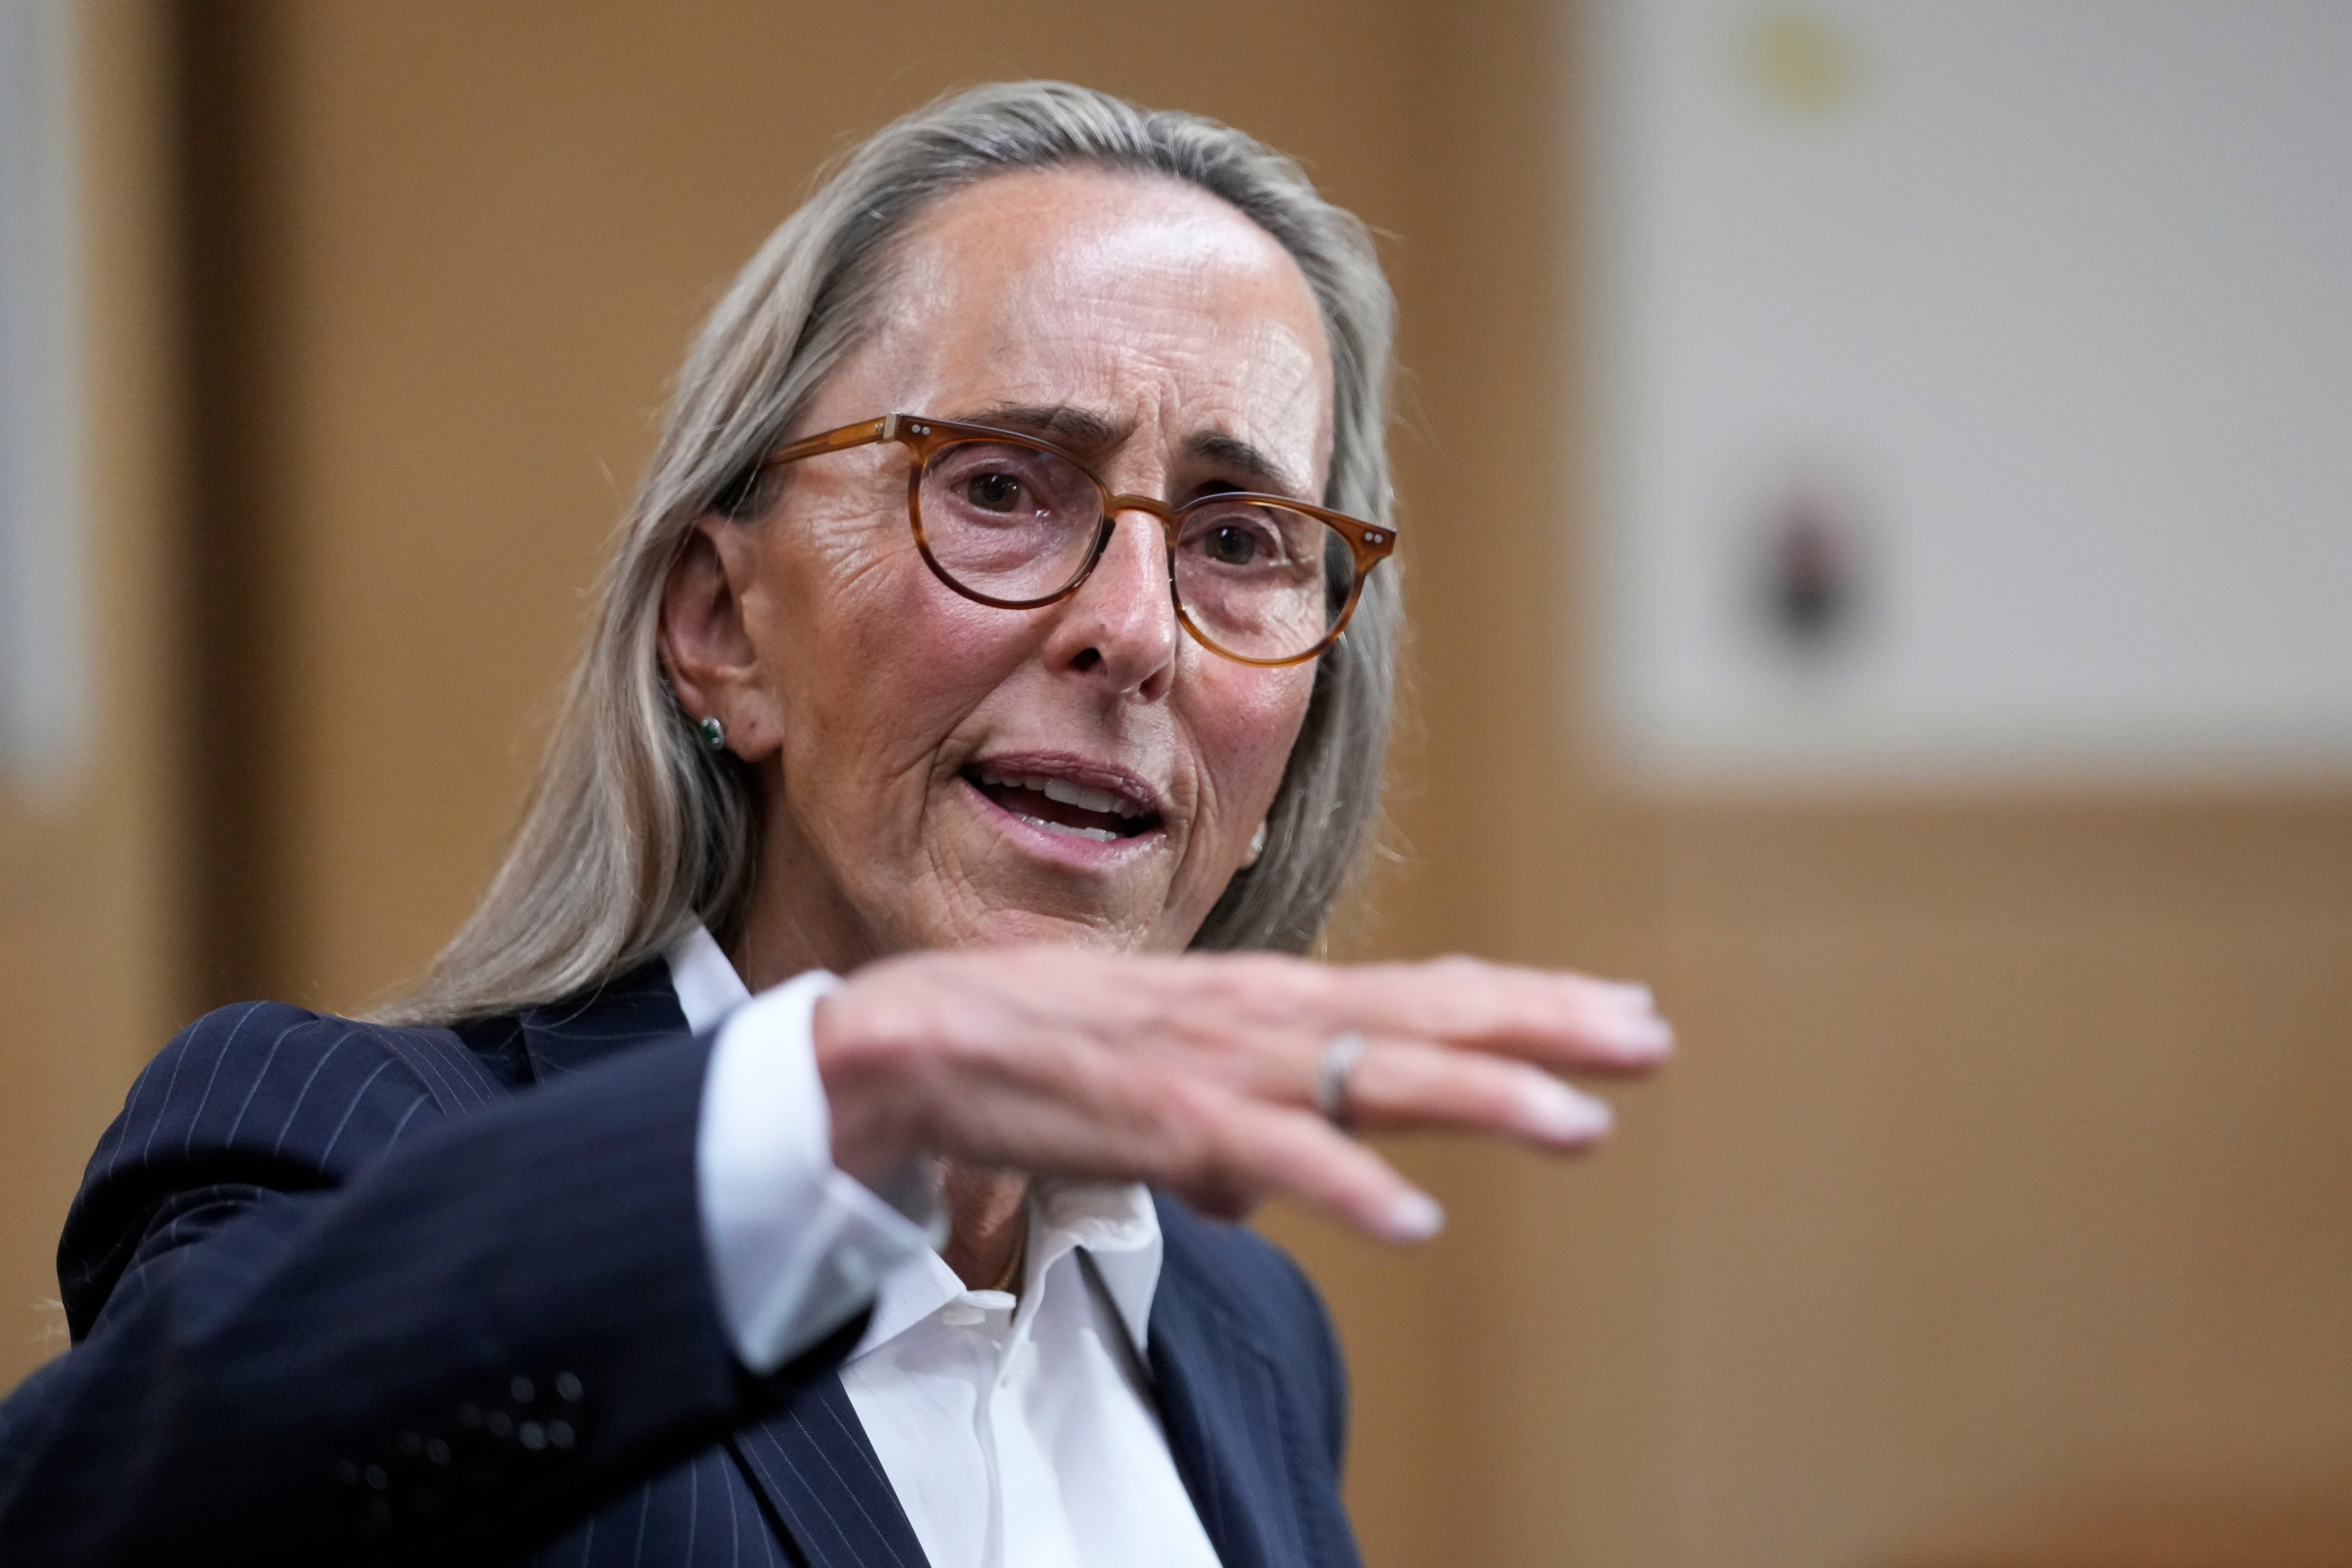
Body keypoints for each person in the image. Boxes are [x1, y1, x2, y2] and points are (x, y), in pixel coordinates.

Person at [0, 81, 1669, 1566]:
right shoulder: (344, 1145)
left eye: (1242, 540)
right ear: (724, 626)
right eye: (1003, 488)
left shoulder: (1251, 1331)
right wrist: (842, 1103)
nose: (1140, 628)